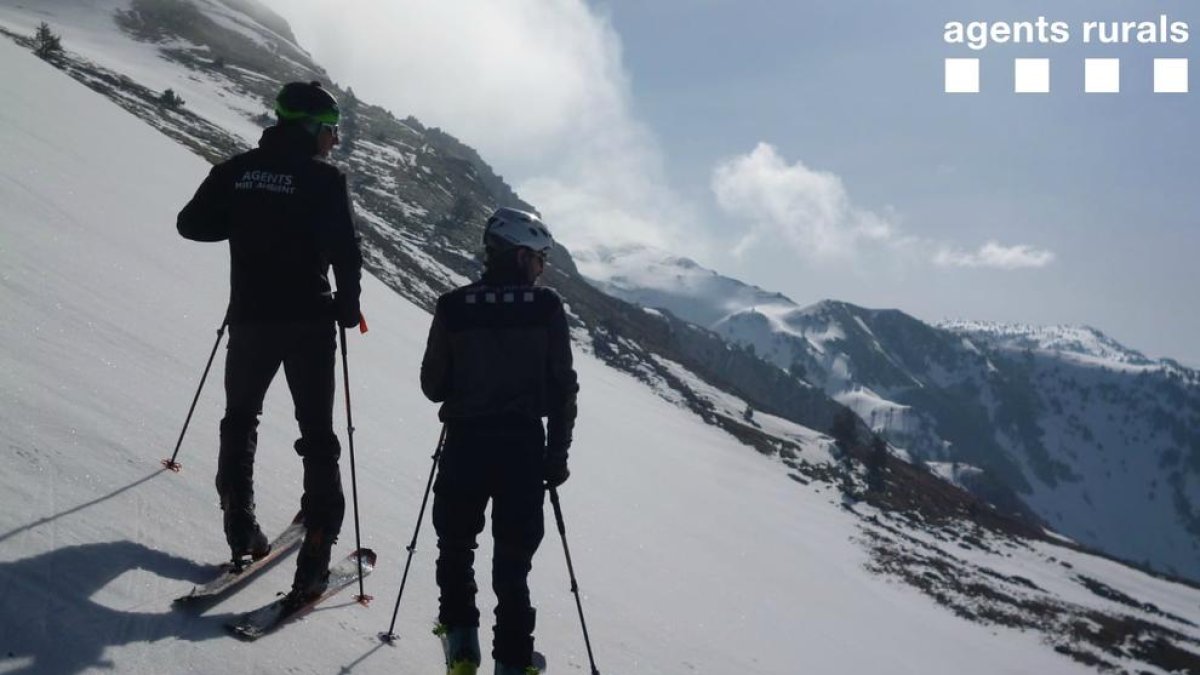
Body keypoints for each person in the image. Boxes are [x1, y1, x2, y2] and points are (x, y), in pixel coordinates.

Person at [176, 81, 363, 601]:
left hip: (251, 316)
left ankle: (240, 527)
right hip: (308, 320)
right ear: (310, 128)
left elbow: (192, 226)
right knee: (318, 436)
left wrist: (246, 221)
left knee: (240, 418)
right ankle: (317, 555)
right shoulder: (325, 180)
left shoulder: (236, 171)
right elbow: (347, 252)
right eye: (331, 131)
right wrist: (348, 306)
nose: (334, 141)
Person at [420, 207, 579, 675]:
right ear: (522, 254)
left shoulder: (453, 306)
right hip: (523, 451)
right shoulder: (546, 307)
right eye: (540, 257)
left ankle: (462, 648)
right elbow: (563, 389)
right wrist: (558, 456)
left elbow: (433, 386)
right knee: (512, 564)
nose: (543, 267)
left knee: (455, 546)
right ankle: (512, 662)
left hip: (465, 444)